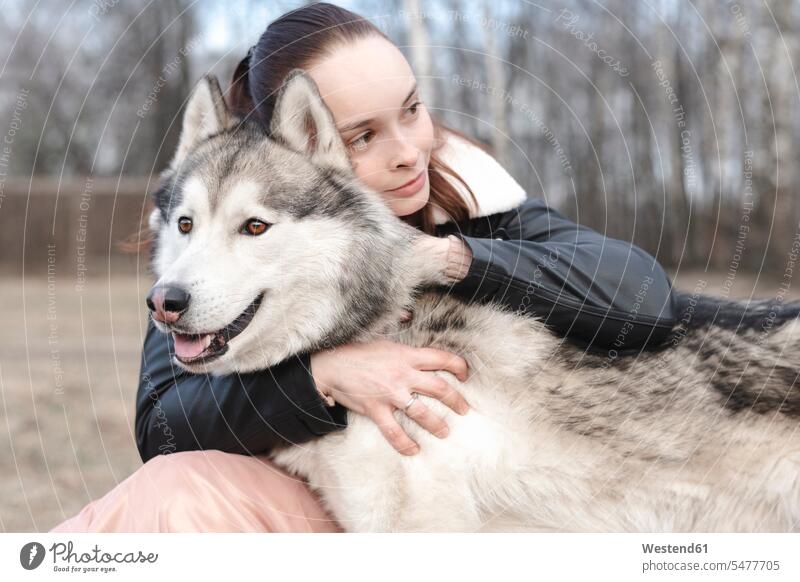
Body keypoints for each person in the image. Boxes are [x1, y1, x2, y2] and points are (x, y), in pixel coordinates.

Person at [51, 2, 676, 533]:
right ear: (302, 140)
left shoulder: (475, 199)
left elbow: (643, 296)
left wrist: (452, 259)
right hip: (304, 498)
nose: (409, 155)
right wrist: (321, 376)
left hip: (510, 493)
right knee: (177, 492)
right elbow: (163, 423)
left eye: (411, 109)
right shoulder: (216, 238)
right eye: (362, 136)